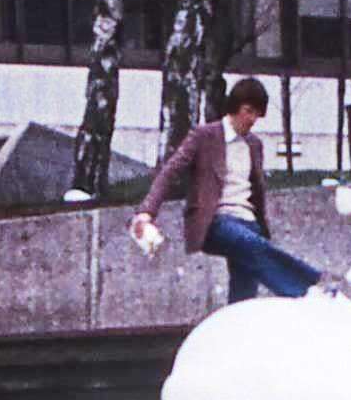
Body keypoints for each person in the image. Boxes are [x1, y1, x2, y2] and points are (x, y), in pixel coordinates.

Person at [134, 76, 329, 303]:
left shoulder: (254, 144)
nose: (252, 119)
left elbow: (256, 191)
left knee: (244, 293)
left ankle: (237, 332)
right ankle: (307, 291)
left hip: (249, 222)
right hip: (217, 222)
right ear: (234, 107)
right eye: (248, 111)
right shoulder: (204, 136)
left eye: (257, 114)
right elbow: (170, 172)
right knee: (251, 245)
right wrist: (147, 211)